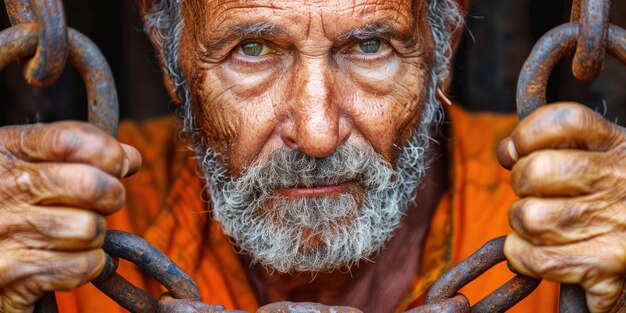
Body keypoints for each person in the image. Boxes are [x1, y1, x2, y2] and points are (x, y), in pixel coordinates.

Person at [0, 0, 623, 312]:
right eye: (251, 50)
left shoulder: (566, 211)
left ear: (445, 36)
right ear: (169, 53)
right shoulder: (83, 223)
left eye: (371, 45)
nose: (319, 133)